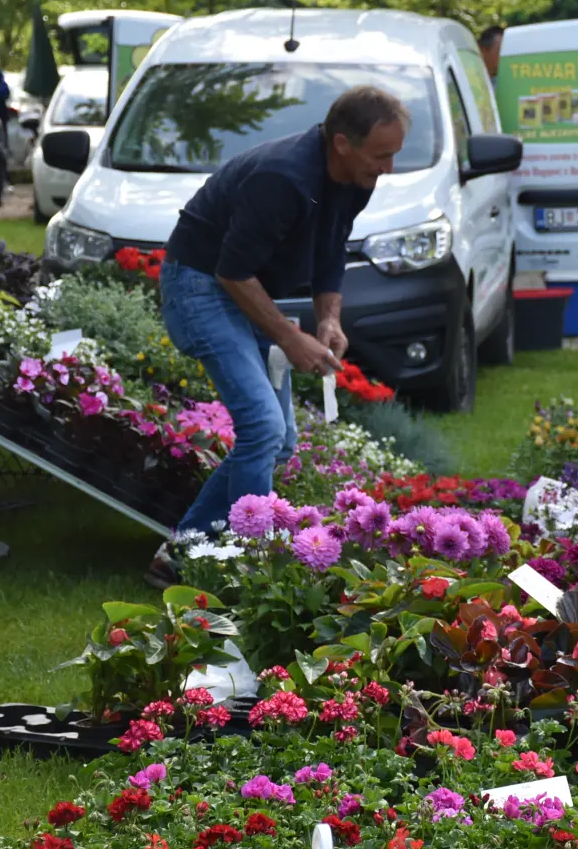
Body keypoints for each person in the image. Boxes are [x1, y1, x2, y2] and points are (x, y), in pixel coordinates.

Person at [152, 85, 409, 582]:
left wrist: (329, 319)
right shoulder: (283, 178)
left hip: (243, 287)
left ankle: (182, 553)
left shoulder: (356, 177)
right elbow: (231, 271)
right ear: (342, 143)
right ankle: (251, 570)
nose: (389, 168)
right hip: (200, 285)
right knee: (263, 428)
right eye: (381, 155)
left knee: (281, 441)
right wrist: (291, 339)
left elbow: (331, 250)